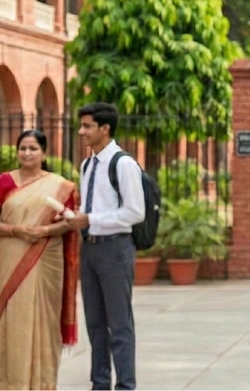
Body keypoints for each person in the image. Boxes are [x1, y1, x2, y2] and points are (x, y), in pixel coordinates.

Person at [63, 102, 145, 390]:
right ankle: (100, 383)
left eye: (87, 126)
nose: (82, 132)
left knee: (119, 324)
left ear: (104, 128)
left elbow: (136, 212)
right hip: (91, 249)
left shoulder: (122, 164)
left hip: (115, 249)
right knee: (95, 324)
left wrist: (91, 218)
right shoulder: (87, 165)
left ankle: (125, 385)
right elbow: (90, 209)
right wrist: (77, 219)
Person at [0, 129, 79, 389]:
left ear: (44, 152)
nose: (26, 153)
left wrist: (46, 230)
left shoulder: (60, 186)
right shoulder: (4, 183)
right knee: (10, 320)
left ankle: (43, 384)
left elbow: (70, 223)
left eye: (33, 148)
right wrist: (16, 230)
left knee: (44, 320)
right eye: (22, 148)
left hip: (46, 258)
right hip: (9, 255)